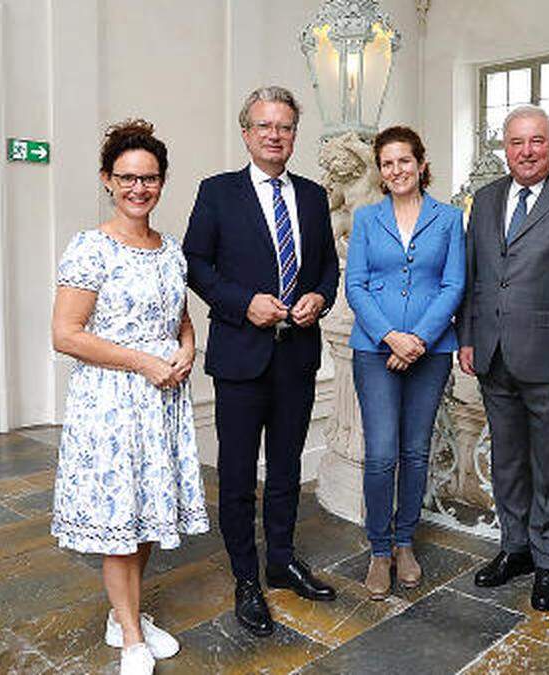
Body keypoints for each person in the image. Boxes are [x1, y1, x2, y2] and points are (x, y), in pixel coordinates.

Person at [50, 119, 209, 675]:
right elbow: (66, 333)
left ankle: (123, 615)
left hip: (162, 401)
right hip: (112, 402)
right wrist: (143, 361)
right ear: (107, 180)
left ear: (162, 182)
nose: (139, 188)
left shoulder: (170, 251)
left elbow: (180, 319)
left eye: (150, 178)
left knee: (143, 516)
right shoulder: (90, 247)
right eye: (127, 178)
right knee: (120, 520)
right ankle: (133, 639)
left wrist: (187, 349)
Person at [183, 85, 340, 637]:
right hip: (240, 357)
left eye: (286, 127)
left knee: (288, 467)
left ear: (295, 134)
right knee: (237, 474)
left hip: (296, 356)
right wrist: (241, 303)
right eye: (265, 126)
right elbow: (196, 265)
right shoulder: (217, 193)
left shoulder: (315, 196)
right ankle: (245, 578)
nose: (276, 135)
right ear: (246, 133)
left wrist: (320, 297)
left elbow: (326, 271)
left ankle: (281, 559)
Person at [458, 105, 549, 612]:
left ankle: (548, 562)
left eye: (536, 142)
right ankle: (514, 548)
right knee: (507, 461)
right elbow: (475, 277)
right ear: (505, 147)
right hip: (493, 354)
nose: (525, 151)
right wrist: (468, 337)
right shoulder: (485, 199)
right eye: (516, 142)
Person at [346, 126, 465, 599]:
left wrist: (417, 339)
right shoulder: (367, 219)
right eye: (388, 163)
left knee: (416, 450)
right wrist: (392, 337)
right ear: (381, 170)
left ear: (420, 163)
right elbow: (355, 285)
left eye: (404, 161)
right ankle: (378, 550)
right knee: (380, 453)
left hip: (431, 351)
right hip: (375, 350)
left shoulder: (450, 218)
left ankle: (404, 542)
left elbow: (454, 284)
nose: (396, 170)